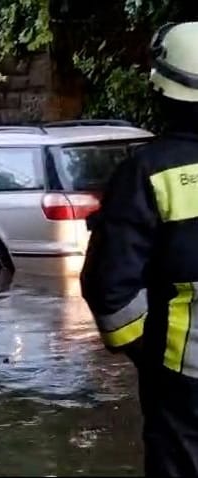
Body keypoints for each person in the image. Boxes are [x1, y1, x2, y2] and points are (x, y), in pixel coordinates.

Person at [81, 21, 198, 476]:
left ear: (162, 92)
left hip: (182, 385)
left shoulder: (145, 173)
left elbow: (108, 287)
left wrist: (146, 355)